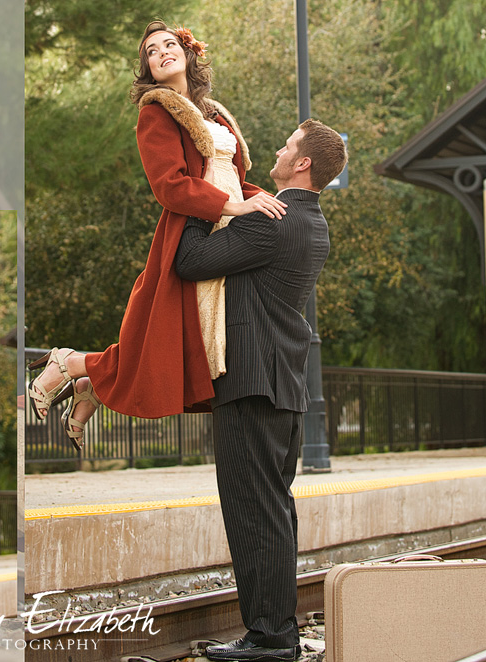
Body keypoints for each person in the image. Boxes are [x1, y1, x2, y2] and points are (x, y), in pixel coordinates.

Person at [27, 20, 287, 449]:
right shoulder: (156, 111)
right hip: (195, 229)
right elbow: (169, 184)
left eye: (170, 44)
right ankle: (72, 364)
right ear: (147, 68)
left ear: (188, 55)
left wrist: (278, 204)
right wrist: (233, 206)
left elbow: (235, 179)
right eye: (152, 50)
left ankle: (87, 381)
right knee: (168, 346)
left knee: (173, 345)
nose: (163, 51)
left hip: (231, 226)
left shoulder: (217, 113)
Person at [174, 118, 348, 662]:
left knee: (252, 509)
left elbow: (190, 261)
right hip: (280, 383)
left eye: (287, 145)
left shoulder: (274, 219)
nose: (277, 149)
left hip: (252, 382)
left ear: (302, 164)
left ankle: (271, 638)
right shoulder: (310, 221)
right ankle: (276, 633)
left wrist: (209, 200)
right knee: (271, 509)